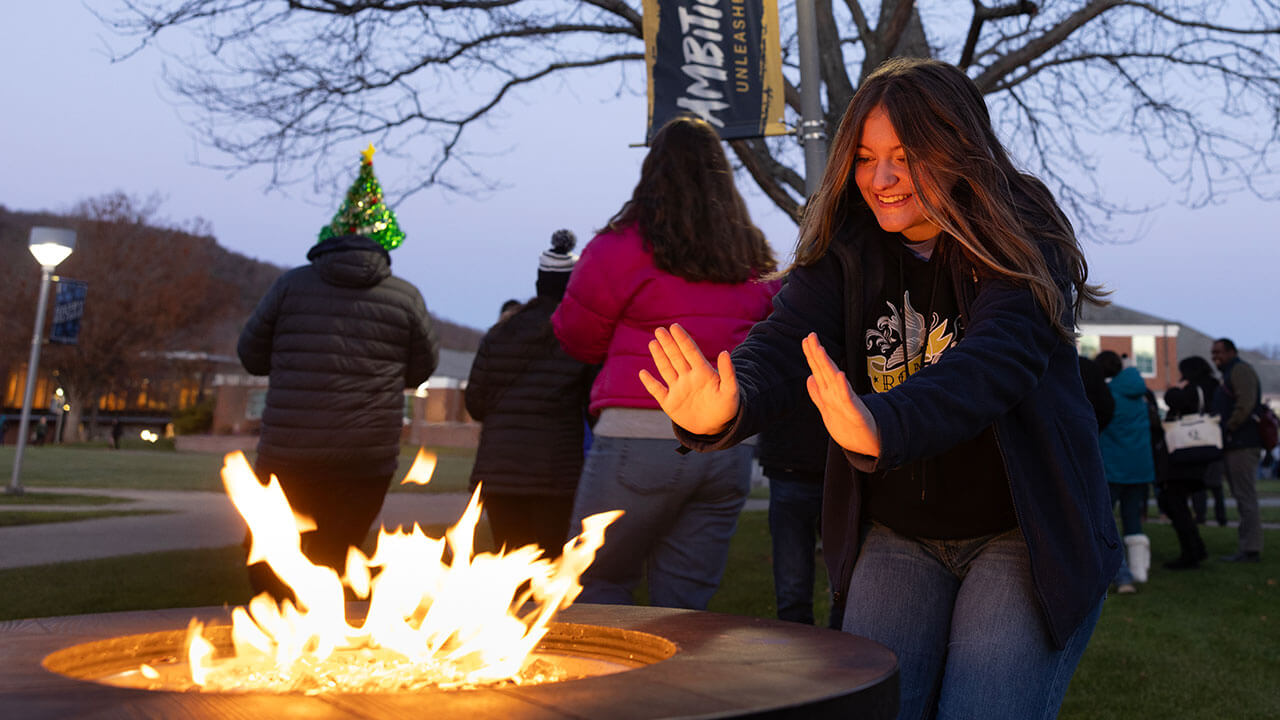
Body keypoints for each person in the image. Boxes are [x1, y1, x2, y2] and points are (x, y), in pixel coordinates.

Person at [640, 58, 1118, 720]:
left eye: (907, 155)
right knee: (872, 707)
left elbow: (995, 360)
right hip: (899, 534)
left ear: (959, 150)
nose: (883, 178)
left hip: (1021, 534)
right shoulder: (847, 248)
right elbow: (785, 344)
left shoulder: (1021, 236)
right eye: (866, 157)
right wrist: (731, 402)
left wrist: (884, 424)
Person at [552, 115, 780, 611]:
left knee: (595, 587)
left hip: (640, 437)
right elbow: (772, 336)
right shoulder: (753, 254)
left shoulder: (620, 248)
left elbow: (575, 335)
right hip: (727, 445)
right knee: (685, 610)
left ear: (652, 171)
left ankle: (606, 691)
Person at [237, 149, 439, 599]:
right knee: (338, 551)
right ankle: (326, 642)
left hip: (292, 450)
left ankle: (271, 642)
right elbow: (422, 369)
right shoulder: (405, 297)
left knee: (273, 553)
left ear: (329, 241)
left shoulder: (290, 285)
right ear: (382, 246)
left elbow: (250, 355)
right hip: (366, 455)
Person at [465, 230, 595, 560]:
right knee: (547, 567)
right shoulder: (579, 335)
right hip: (554, 471)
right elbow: (593, 407)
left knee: (509, 565)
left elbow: (476, 404)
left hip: (499, 471)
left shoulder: (500, 332)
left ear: (539, 282)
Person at [758, 397, 828, 625]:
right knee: (792, 586)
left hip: (845, 466)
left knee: (847, 586)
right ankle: (798, 651)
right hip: (788, 462)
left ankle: (846, 649)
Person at [1095, 350, 1155, 590]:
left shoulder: (1107, 395)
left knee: (1106, 522)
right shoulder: (1139, 394)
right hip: (1139, 467)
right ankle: (1139, 570)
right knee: (1133, 521)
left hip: (1112, 466)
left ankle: (1122, 575)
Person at [1161, 356, 1217, 569]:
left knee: (1174, 502)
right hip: (1196, 454)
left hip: (1185, 455)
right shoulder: (1210, 387)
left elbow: (1176, 400)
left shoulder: (1196, 389)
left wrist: (1174, 389)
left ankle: (1191, 553)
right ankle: (1195, 549)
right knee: (1176, 502)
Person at [1211, 337, 1264, 562]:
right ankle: (1248, 546)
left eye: (1219, 353)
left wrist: (1229, 427)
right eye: (1213, 354)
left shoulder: (1240, 370)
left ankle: (1251, 548)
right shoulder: (1230, 372)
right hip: (1235, 442)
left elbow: (1246, 403)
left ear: (1232, 352)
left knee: (1245, 496)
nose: (1215, 358)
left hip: (1242, 443)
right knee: (1242, 496)